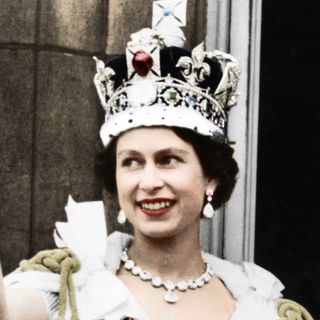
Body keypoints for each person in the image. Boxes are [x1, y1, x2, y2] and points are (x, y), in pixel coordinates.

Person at [0, 1, 314, 319]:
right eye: (131, 162)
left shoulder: (258, 306)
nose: (148, 182)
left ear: (211, 177)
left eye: (168, 160)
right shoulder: (70, 288)